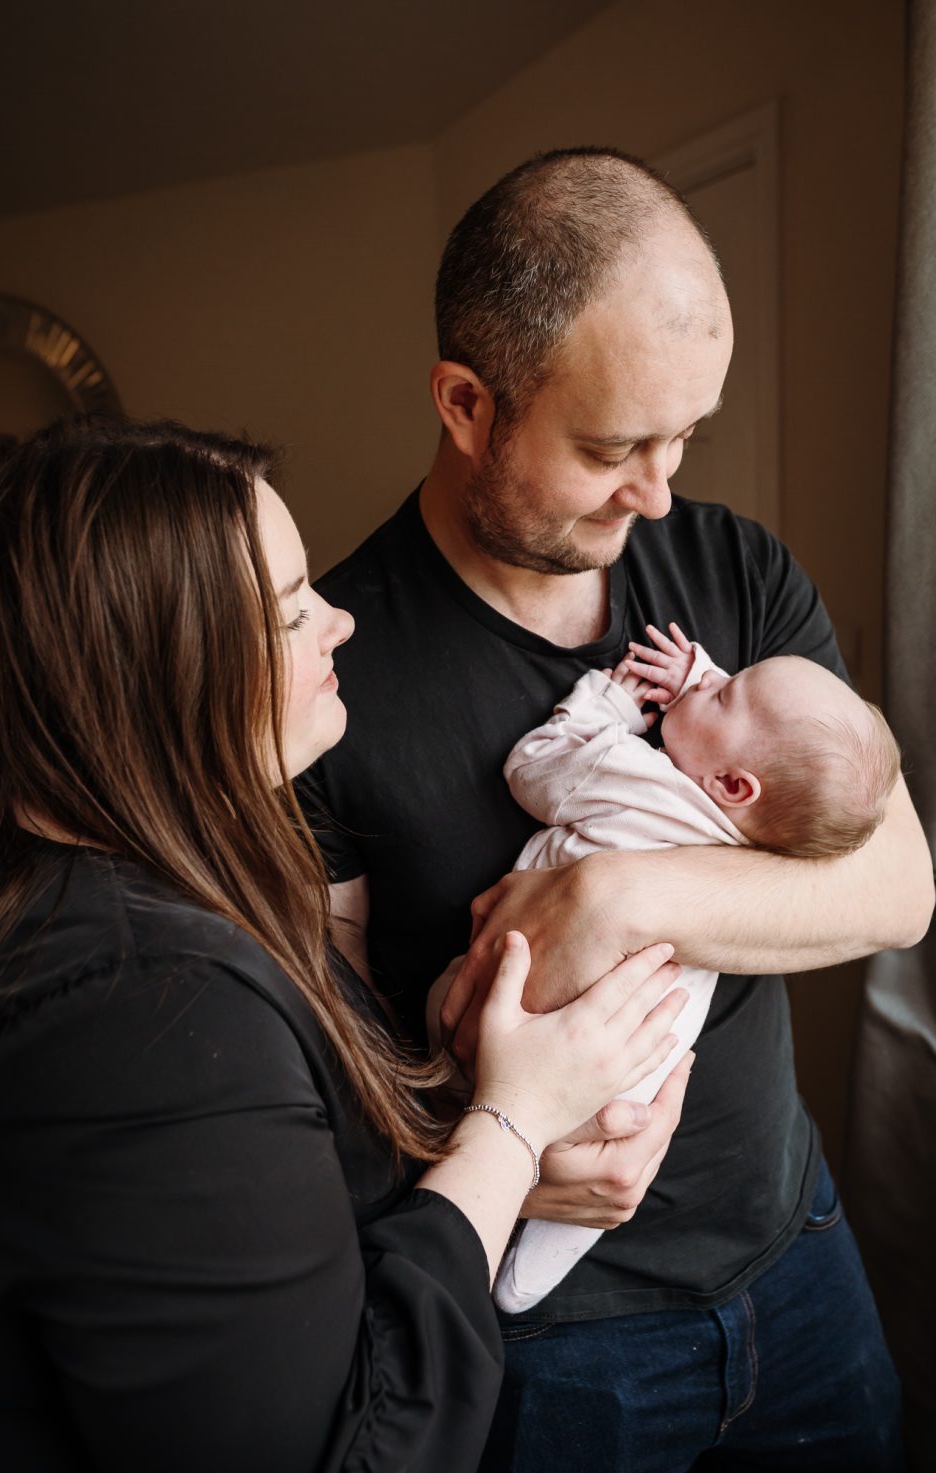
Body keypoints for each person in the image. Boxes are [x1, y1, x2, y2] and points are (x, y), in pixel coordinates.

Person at [299, 147, 933, 1471]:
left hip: (794, 1249)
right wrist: (506, 1150)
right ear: (468, 406)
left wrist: (615, 893)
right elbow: (329, 1056)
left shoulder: (736, 573)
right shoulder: (330, 674)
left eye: (682, 438)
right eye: (610, 447)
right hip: (564, 1350)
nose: (656, 493)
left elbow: (898, 887)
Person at [0, 416, 691, 1473]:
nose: (339, 622)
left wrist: (495, 1166)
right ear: (159, 670)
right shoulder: (136, 1009)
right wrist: (512, 1126)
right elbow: (347, 1448)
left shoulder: (163, 890)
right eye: (292, 609)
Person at [493, 620, 902, 1313]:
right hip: (654, 1032)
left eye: (723, 688)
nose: (708, 673)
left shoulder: (642, 779)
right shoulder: (765, 846)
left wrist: (614, 704)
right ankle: (533, 1264)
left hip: (541, 1004)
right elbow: (753, 738)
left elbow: (536, 766)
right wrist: (699, 691)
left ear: (734, 783)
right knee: (620, 1114)